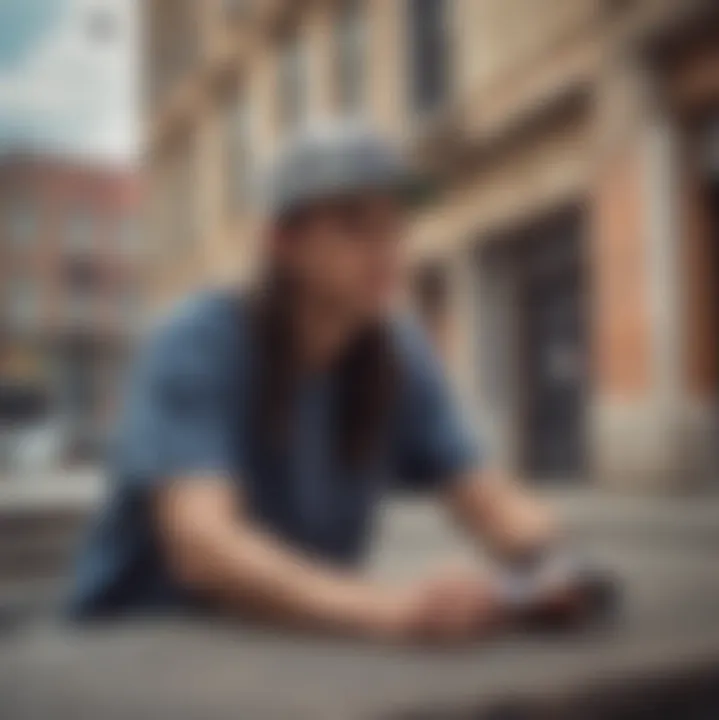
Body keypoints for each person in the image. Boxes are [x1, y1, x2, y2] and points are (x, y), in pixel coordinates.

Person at [69, 124, 588, 643]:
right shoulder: (198, 340)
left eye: (393, 226)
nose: (386, 249)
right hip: (140, 642)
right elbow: (203, 547)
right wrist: (394, 609)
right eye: (354, 226)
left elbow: (491, 502)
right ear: (282, 243)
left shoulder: (397, 353)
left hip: (279, 646)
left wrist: (546, 568)